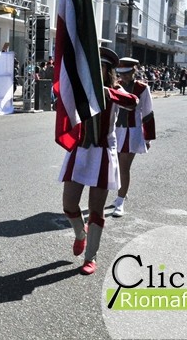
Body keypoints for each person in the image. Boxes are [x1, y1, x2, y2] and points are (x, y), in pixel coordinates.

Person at [59, 47, 139, 275]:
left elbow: (132, 101)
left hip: (103, 152)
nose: (95, 70)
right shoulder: (81, 86)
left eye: (100, 66)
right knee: (69, 204)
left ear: (108, 70)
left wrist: (106, 92)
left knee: (96, 208)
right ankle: (80, 234)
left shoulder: (115, 89)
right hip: (80, 149)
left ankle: (91, 257)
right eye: (93, 66)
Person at [114, 57, 156, 217]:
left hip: (132, 131)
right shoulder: (115, 86)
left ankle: (120, 201)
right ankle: (121, 193)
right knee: (114, 166)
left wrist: (147, 138)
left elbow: (148, 113)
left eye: (126, 73)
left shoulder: (142, 88)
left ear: (133, 71)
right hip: (114, 131)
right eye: (121, 73)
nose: (123, 76)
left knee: (124, 167)